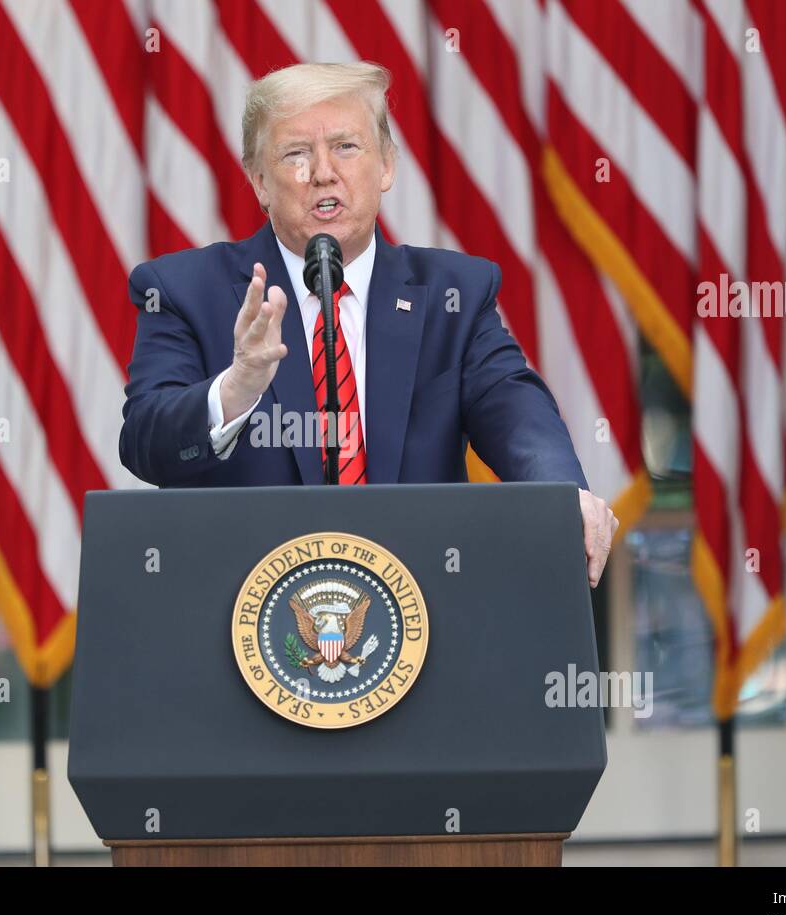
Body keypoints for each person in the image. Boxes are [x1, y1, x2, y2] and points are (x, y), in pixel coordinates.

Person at [120, 62, 618, 586]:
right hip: (242, 621)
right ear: (259, 182)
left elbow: (517, 413)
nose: (322, 172)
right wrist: (236, 388)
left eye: (346, 147)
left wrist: (562, 493)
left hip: (420, 614)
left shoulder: (454, 294)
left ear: (387, 165)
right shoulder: (183, 289)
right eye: (295, 154)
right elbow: (145, 445)